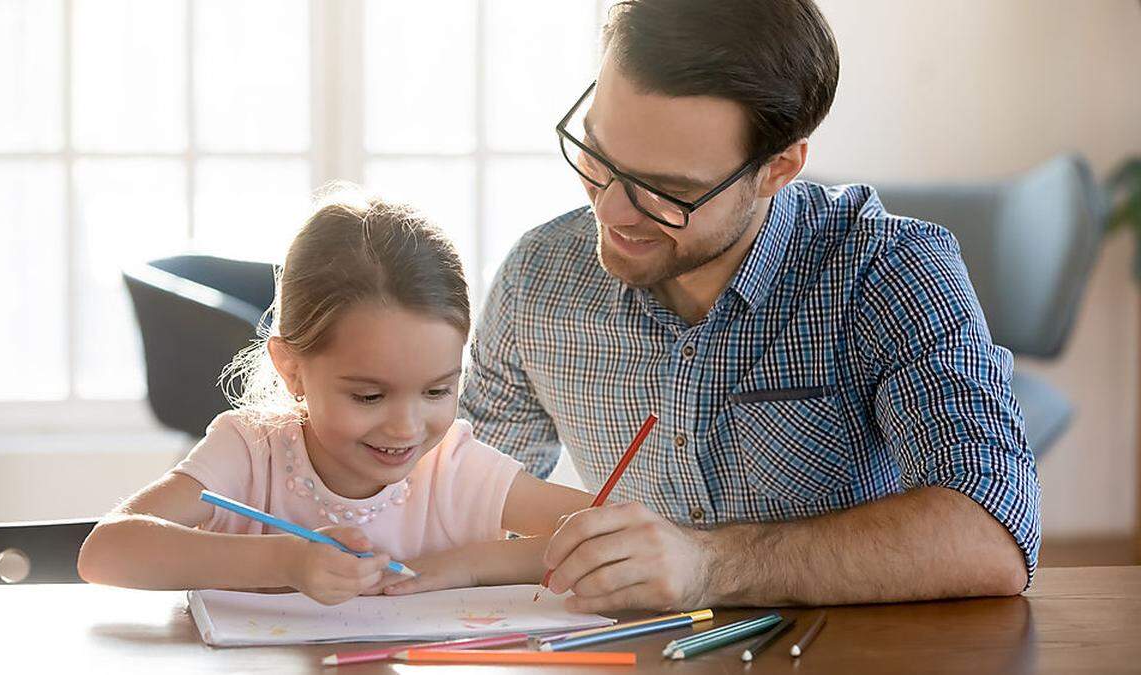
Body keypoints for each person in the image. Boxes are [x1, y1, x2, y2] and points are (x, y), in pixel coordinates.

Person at [460, 0, 1039, 612]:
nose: (610, 212)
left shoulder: (885, 270)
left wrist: (708, 565)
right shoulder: (538, 276)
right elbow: (459, 503)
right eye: (597, 156)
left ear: (778, 168)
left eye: (667, 191)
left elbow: (991, 534)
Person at [78, 185, 592, 605]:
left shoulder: (454, 468)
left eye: (438, 390)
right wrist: (286, 561)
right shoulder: (251, 454)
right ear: (292, 369)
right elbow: (105, 552)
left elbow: (609, 532)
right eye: (369, 396)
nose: (407, 428)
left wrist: (465, 565)